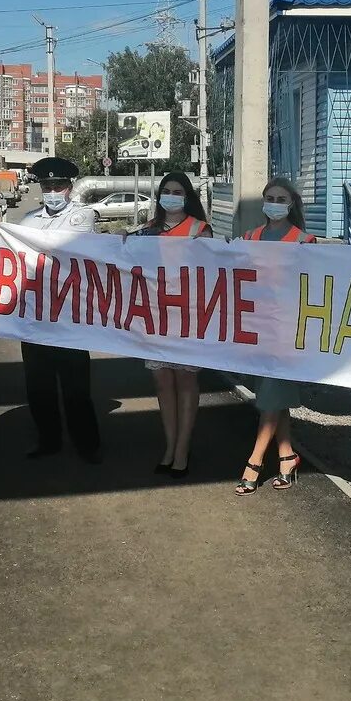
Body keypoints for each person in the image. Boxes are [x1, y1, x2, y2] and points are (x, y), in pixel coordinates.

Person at [16, 156, 102, 464]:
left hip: (71, 316)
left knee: (76, 388)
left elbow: (74, 249)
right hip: (36, 316)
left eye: (59, 186)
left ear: (70, 187)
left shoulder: (83, 216)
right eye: (48, 186)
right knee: (38, 386)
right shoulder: (27, 221)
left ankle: (87, 445)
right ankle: (48, 440)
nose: (53, 191)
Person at [235, 177, 313, 496]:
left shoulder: (304, 240)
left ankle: (254, 462)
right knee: (273, 396)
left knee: (268, 395)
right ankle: (287, 455)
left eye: (281, 199)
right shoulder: (250, 237)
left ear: (291, 203)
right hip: (257, 326)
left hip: (287, 331)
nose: (274, 204)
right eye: (269, 197)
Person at [134, 171, 211, 478]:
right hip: (157, 316)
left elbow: (214, 272)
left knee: (186, 381)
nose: (171, 196)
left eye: (178, 191)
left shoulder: (200, 230)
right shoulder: (148, 231)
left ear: (187, 196)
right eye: (166, 190)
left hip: (189, 317)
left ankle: (182, 450)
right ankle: (170, 446)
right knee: (163, 383)